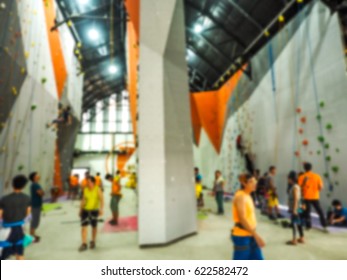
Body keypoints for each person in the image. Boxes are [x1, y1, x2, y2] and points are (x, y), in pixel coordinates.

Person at [231, 173, 265, 260]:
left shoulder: (247, 195)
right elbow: (242, 219)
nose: (254, 184)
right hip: (242, 237)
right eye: (251, 182)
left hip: (250, 235)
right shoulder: (240, 196)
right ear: (244, 183)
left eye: (254, 181)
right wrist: (256, 236)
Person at [0, 175, 31, 260]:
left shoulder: (4, 199)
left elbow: (0, 215)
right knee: (20, 253)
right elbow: (28, 215)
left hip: (6, 229)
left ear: (12, 184)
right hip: (20, 229)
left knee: (3, 254)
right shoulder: (27, 198)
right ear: (23, 186)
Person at [298, 162, 327, 230]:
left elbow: (299, 187)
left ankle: (308, 226)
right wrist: (315, 190)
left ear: (304, 168)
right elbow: (321, 187)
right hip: (315, 197)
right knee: (319, 211)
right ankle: (324, 224)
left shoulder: (301, 177)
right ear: (311, 168)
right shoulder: (317, 176)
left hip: (306, 197)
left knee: (307, 211)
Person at [79, 176, 104, 252]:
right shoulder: (85, 189)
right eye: (87, 182)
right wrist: (80, 209)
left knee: (94, 227)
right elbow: (83, 200)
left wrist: (101, 209)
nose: (88, 183)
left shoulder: (97, 189)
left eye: (89, 182)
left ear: (93, 182)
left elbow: (101, 200)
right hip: (85, 210)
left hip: (94, 211)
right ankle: (84, 243)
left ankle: (93, 241)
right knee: (84, 227)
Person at [286, 171, 304, 245]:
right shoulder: (296, 186)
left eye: (288, 178)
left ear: (290, 179)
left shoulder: (294, 187)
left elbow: (296, 199)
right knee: (299, 222)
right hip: (297, 207)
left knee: (294, 223)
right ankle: (301, 237)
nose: (288, 180)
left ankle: (294, 240)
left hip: (295, 208)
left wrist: (294, 210)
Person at [29, 172, 44, 243]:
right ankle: (31, 236)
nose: (39, 175)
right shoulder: (35, 185)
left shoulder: (36, 184)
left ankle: (33, 234)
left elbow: (41, 193)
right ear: (34, 177)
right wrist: (42, 192)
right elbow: (40, 193)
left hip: (37, 204)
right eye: (37, 175)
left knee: (36, 220)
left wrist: (42, 192)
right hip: (35, 205)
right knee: (34, 220)